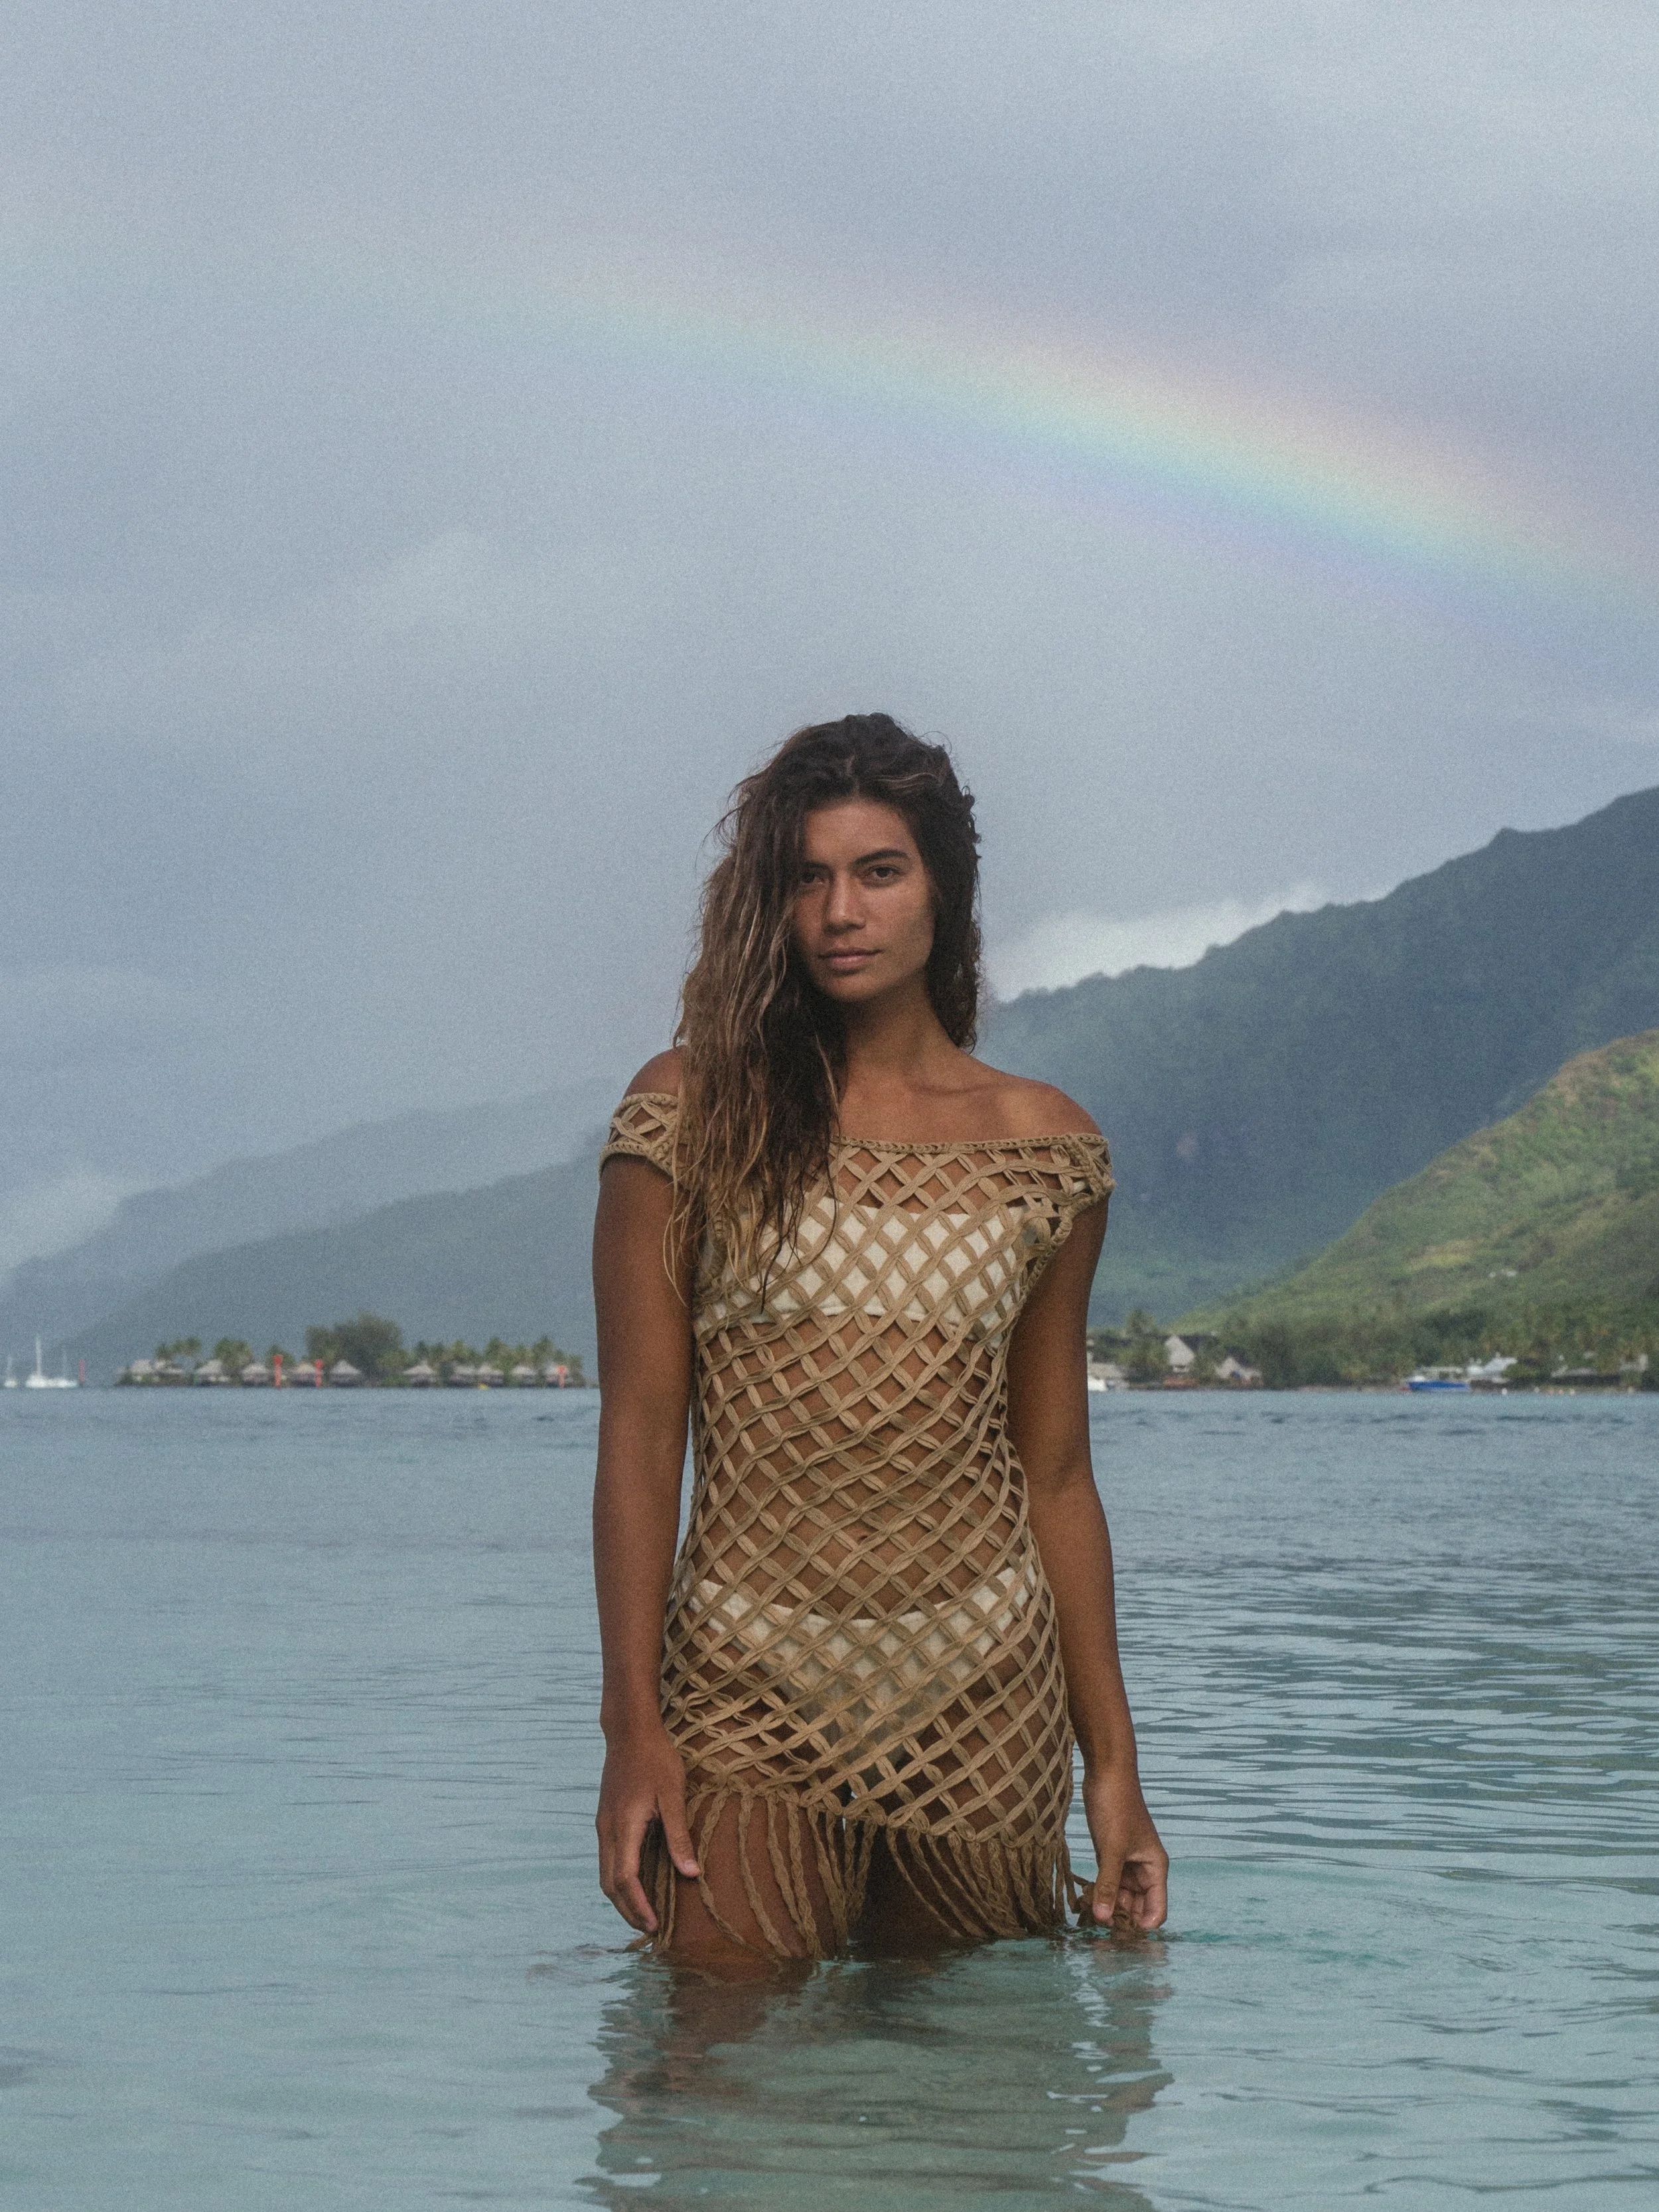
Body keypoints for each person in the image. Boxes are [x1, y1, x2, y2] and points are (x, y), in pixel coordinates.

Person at [591, 713, 1167, 1963]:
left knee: (971, 2113)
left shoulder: (1043, 1149)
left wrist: (1112, 1773)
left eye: (879, 871)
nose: (840, 911)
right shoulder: (688, 1114)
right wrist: (632, 1727)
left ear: (944, 893)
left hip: (984, 1698)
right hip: (746, 1687)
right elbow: (640, 1435)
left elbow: (1058, 1473)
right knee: (712, 2102)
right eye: (808, 877)